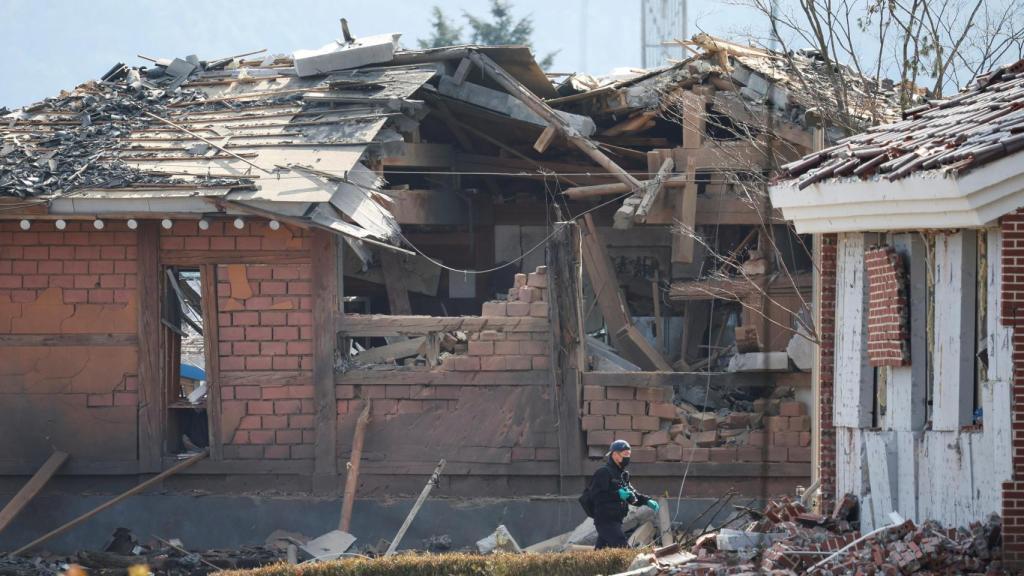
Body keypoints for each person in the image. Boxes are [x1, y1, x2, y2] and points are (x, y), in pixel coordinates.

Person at [588, 439, 660, 549]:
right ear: (615, 455)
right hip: (605, 520)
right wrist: (617, 494)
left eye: (629, 454)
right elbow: (595, 496)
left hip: (617, 520)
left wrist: (647, 501)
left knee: (601, 550)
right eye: (625, 454)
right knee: (624, 548)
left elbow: (632, 495)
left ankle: (591, 561)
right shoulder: (603, 473)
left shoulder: (622, 475)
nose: (628, 457)